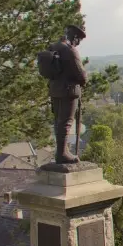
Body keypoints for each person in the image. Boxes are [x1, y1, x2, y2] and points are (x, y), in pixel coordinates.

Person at [48, 24, 87, 164]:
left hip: (55, 90)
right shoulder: (70, 50)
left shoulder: (54, 47)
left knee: (58, 121)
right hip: (68, 91)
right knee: (66, 122)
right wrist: (84, 79)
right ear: (75, 37)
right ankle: (62, 153)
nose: (78, 43)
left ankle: (60, 151)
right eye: (79, 40)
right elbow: (81, 75)